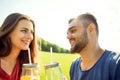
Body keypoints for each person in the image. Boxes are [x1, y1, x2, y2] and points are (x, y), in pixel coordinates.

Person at [67, 13, 120, 80]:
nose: (68, 37)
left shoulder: (116, 64)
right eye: (67, 33)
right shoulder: (74, 66)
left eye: (73, 31)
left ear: (90, 29)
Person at [0, 13, 38, 80]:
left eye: (32, 32)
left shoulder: (26, 65)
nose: (30, 37)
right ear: (9, 31)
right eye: (24, 31)